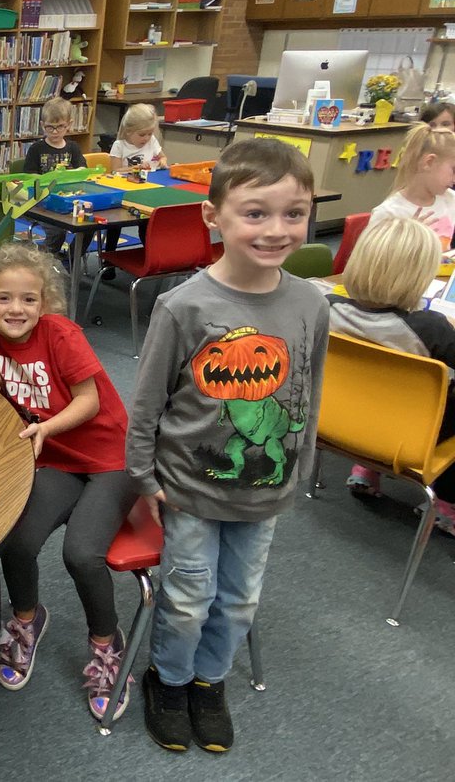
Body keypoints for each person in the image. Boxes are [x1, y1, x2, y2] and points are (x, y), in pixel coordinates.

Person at [127, 138, 328, 753]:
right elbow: (148, 402)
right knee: (189, 597)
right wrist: (144, 477)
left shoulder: (310, 303)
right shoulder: (183, 306)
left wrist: (302, 467)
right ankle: (169, 679)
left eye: (294, 213)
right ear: (214, 215)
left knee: (239, 601)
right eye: (256, 212)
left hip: (263, 490)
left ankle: (209, 683)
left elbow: (311, 392)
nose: (276, 229)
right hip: (190, 487)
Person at [0, 243, 136, 720]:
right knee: (14, 540)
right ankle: (26, 620)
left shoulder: (61, 334)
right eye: (4, 299)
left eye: (28, 300)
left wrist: (45, 427)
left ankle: (106, 643)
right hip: (57, 459)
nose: (16, 309)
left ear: (45, 304)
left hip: (110, 458)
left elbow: (90, 402)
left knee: (81, 554)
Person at [325, 217, 455, 534]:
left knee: (373, 387)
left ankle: (366, 468)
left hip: (336, 420)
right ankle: (447, 503)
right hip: (409, 437)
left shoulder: (327, 308)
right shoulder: (430, 328)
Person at [368, 123, 455, 246]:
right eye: (454, 170)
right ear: (429, 162)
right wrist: (409, 237)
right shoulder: (388, 213)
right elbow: (374, 260)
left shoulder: (450, 199)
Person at [23, 96, 87, 174]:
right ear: (42, 125)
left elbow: (82, 168)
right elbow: (29, 175)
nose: (55, 132)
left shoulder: (73, 147)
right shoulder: (35, 149)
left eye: (60, 126)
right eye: (50, 127)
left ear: (69, 124)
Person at [109, 103, 168, 173]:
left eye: (150, 134)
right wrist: (138, 167)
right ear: (128, 131)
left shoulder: (151, 140)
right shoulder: (119, 146)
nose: (146, 138)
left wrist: (162, 161)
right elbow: (116, 170)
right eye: (142, 135)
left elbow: (163, 157)